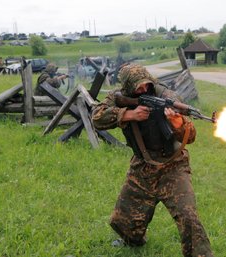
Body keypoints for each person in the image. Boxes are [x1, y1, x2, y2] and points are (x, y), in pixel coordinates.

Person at [91, 63, 214, 257]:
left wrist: (178, 124)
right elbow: (96, 118)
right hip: (142, 166)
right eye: (137, 87)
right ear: (128, 87)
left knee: (188, 215)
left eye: (146, 84)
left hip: (173, 166)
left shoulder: (168, 97)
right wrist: (129, 114)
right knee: (122, 220)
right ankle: (133, 241)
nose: (143, 89)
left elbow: (190, 138)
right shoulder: (119, 97)